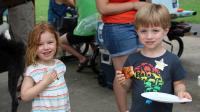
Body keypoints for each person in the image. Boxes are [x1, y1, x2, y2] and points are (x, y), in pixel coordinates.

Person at [116, 4, 192, 112]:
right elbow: (127, 86)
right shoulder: (131, 59)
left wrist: (181, 92)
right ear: (137, 31)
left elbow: (179, 83)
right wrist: (123, 82)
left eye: (155, 30)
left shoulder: (173, 60)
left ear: (165, 31)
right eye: (143, 31)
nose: (149, 36)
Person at [96, 0, 150, 111]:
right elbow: (103, 8)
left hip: (143, 24)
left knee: (142, 70)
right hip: (119, 27)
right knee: (125, 73)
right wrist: (133, 5)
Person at [20, 23, 71, 112]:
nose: (46, 47)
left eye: (50, 42)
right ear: (33, 47)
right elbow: (24, 96)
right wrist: (44, 83)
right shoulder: (33, 70)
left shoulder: (60, 65)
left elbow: (63, 93)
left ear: (56, 43)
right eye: (40, 44)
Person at [56, 0, 98, 71]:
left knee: (60, 41)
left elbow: (71, 4)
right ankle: (95, 58)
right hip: (98, 27)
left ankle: (82, 58)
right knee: (91, 38)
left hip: (85, 30)